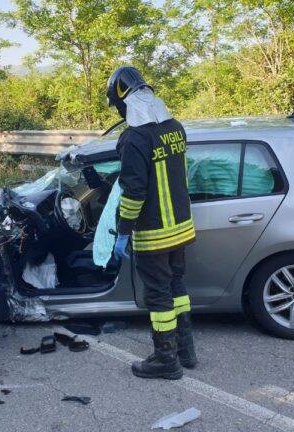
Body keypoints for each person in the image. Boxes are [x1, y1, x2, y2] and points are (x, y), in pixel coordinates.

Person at [107, 66, 197, 380]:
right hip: (181, 228)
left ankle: (165, 360)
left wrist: (123, 230)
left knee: (158, 296)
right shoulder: (175, 127)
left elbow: (133, 191)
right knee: (177, 287)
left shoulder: (133, 138)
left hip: (154, 233)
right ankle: (186, 351)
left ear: (122, 101)